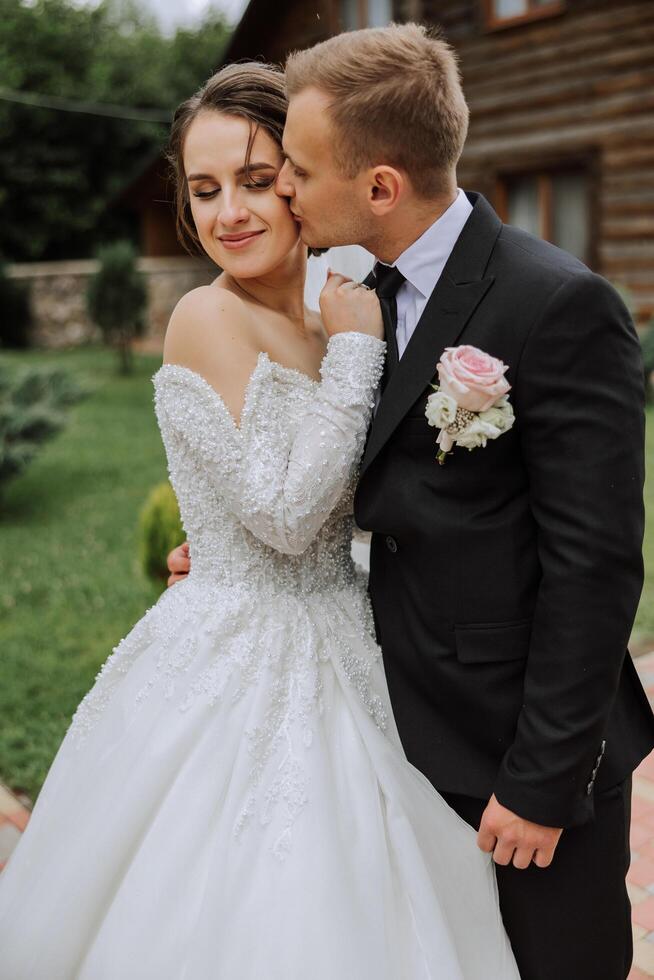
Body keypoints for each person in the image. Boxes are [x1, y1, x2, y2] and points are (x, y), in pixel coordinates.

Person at [0, 61, 520, 979]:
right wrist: (359, 355)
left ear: (303, 179)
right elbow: (283, 515)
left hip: (352, 632)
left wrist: (351, 342)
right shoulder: (209, 318)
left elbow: (359, 499)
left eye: (254, 180)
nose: (229, 212)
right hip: (240, 651)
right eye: (204, 190)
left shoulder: (341, 310)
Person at [168, 23, 654, 980]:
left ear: (379, 186)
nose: (285, 194)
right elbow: (388, 485)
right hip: (398, 732)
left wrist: (544, 780)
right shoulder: (364, 298)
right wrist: (230, 551)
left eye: (293, 171)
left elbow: (594, 570)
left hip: (523, 759)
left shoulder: (558, 305)